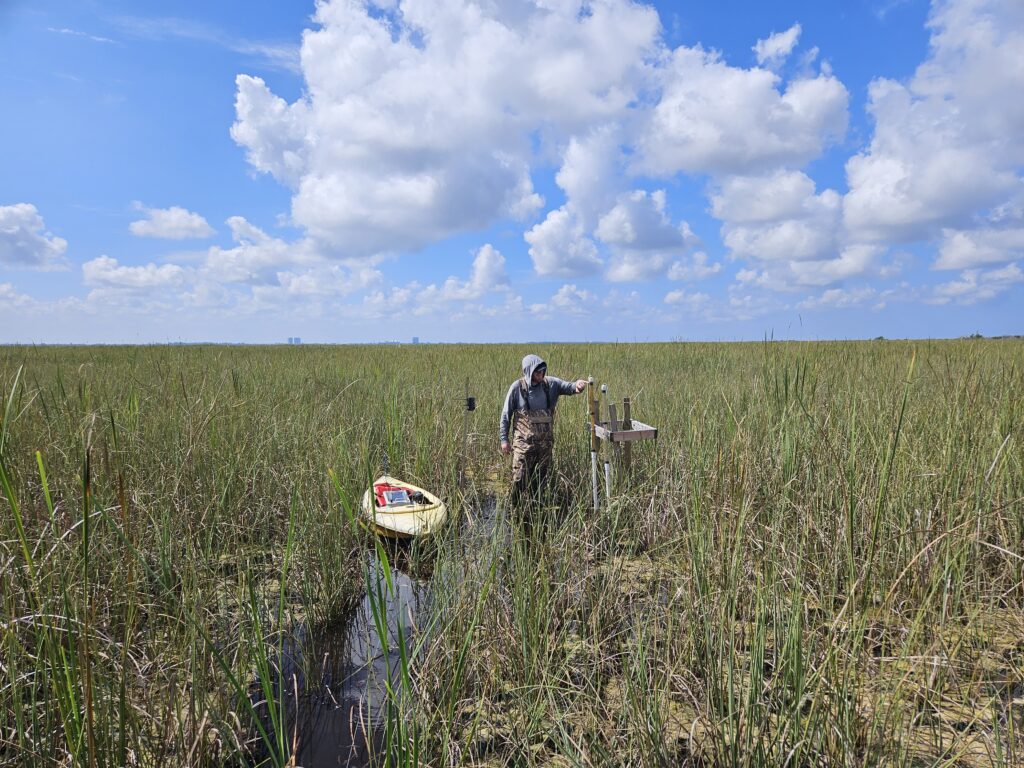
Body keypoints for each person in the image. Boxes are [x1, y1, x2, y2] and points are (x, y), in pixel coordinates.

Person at [499, 354, 587, 503]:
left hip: (545, 446)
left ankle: (535, 510)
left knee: (540, 482)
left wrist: (578, 385)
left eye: (543, 371)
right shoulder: (517, 388)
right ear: (528, 371)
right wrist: (504, 439)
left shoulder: (551, 384)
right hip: (523, 445)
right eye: (537, 372)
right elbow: (506, 414)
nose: (541, 375)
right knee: (519, 479)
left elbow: (570, 387)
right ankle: (515, 510)